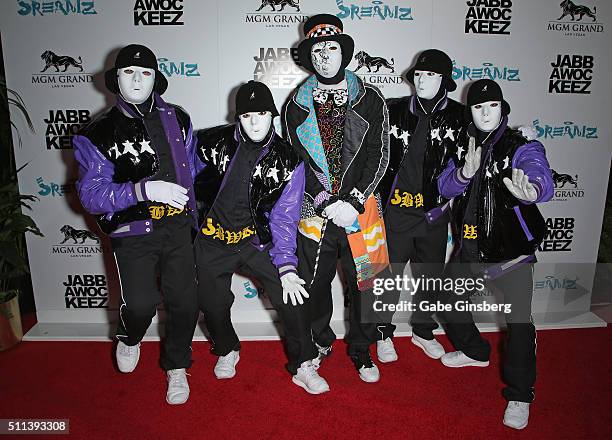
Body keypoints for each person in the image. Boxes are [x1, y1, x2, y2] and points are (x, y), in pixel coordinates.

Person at [73, 44, 200, 405]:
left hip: (177, 227)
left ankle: (177, 366)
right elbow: (92, 195)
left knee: (185, 303)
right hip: (133, 231)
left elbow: (193, 171)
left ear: (155, 79)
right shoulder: (97, 131)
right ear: (116, 80)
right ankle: (129, 336)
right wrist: (144, 190)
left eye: (145, 73)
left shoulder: (180, 118)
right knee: (141, 305)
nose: (138, 79)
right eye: (129, 72)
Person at [194, 81, 329, 394]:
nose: (254, 121)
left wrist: (286, 266)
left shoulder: (289, 160)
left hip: (256, 241)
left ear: (273, 116)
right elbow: (185, 185)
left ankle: (304, 365)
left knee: (293, 296)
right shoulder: (208, 142)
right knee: (212, 305)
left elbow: (284, 217)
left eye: (261, 113)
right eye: (246, 116)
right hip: (211, 240)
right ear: (236, 117)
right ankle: (227, 348)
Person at [437, 79, 554, 430]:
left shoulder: (519, 145)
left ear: (503, 109)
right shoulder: (463, 144)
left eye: (492, 106)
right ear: (470, 111)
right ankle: (475, 352)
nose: (486, 112)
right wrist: (463, 173)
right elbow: (443, 186)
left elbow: (538, 172)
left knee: (519, 324)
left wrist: (532, 190)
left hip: (511, 253)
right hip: (471, 247)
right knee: (445, 297)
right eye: (478, 106)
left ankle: (520, 394)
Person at [284, 14, 390, 383]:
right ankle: (320, 341)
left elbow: (380, 153)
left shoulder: (371, 98)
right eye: (317, 49)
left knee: (365, 285)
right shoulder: (294, 104)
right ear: (309, 56)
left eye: (331, 47)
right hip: (316, 210)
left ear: (344, 53)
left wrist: (355, 200)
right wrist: (325, 199)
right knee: (314, 284)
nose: (324, 55)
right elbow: (295, 161)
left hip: (362, 207)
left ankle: (361, 350)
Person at [377, 49, 467, 362]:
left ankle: (423, 331)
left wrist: (518, 137)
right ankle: (382, 333)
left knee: (430, 277)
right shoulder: (391, 109)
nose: (422, 80)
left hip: (434, 214)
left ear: (445, 81)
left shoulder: (461, 117)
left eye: (430, 74)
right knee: (387, 278)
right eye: (418, 74)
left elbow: (490, 138)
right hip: (396, 212)